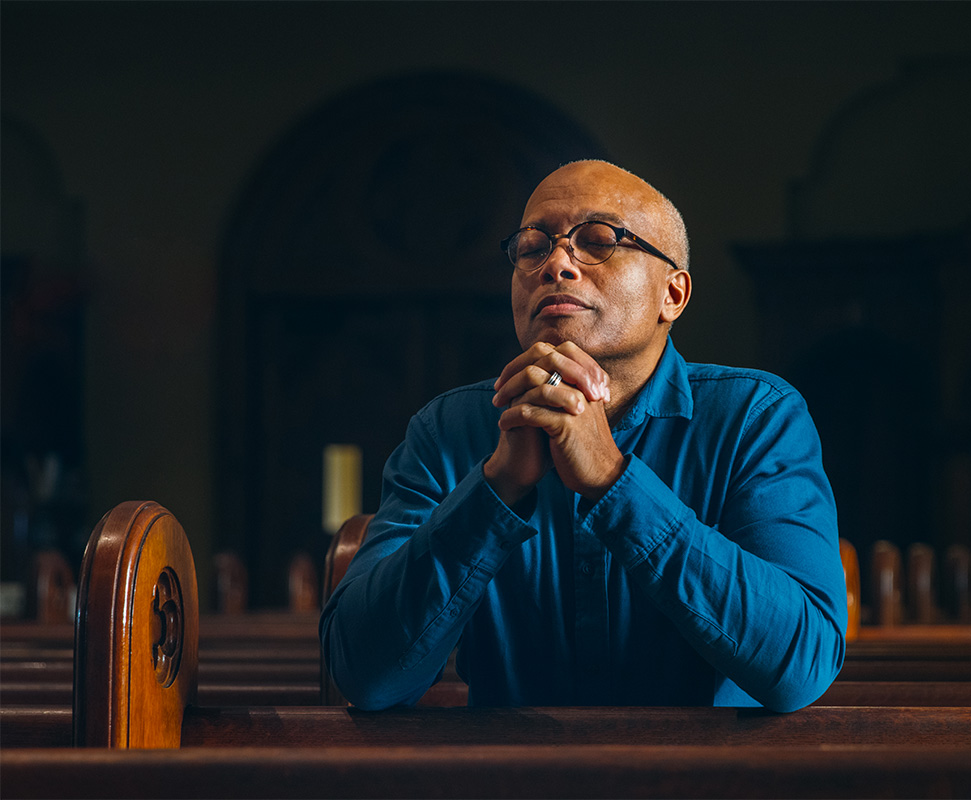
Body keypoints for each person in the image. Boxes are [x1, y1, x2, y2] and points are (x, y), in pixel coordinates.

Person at [320, 160, 846, 712]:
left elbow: (802, 667)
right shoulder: (447, 430)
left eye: (598, 241)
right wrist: (495, 487)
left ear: (673, 294)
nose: (555, 265)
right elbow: (364, 676)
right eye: (531, 247)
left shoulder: (756, 418)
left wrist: (614, 482)